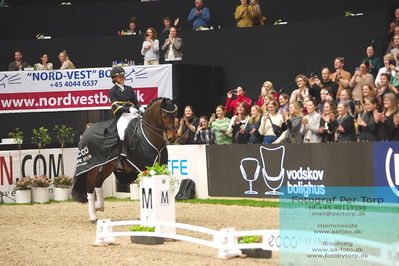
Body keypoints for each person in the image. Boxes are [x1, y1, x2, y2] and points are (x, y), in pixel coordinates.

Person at [108, 66, 144, 171]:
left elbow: (135, 101)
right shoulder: (112, 91)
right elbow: (116, 106)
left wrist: (140, 107)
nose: (122, 78)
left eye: (123, 76)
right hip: (123, 115)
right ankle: (119, 159)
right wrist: (128, 109)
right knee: (122, 132)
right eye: (119, 76)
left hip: (134, 113)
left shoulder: (129, 89)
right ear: (114, 78)